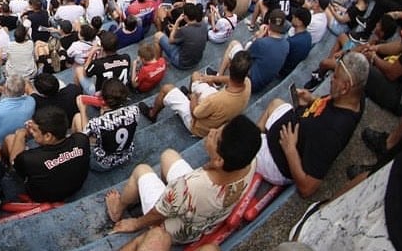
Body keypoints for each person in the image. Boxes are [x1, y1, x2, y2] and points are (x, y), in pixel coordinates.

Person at [105, 115, 261, 246]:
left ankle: (117, 209)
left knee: (142, 170)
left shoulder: (190, 186)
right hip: (206, 217)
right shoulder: (249, 161)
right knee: (168, 155)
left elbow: (158, 214)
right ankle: (166, 194)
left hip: (179, 230)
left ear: (219, 161)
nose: (211, 131)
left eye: (214, 136)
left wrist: (136, 223)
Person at [253, 52, 368, 197]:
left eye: (335, 77)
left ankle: (252, 148)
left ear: (345, 87)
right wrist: (312, 101)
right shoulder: (355, 97)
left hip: (277, 160)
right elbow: (326, 110)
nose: (331, 79)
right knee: (275, 103)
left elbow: (307, 188)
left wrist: (290, 149)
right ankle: (256, 138)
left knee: (236, 135)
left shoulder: (331, 132)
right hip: (292, 127)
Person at [140, 51, 252, 135]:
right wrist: (213, 78)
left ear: (230, 66)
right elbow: (230, 79)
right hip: (219, 110)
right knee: (196, 76)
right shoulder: (247, 82)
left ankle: (152, 114)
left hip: (198, 125)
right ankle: (188, 95)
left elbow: (196, 113)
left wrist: (194, 98)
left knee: (166, 88)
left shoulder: (215, 100)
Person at [4, 105, 90, 202]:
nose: (31, 132)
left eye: (35, 130)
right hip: (76, 186)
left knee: (10, 139)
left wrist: (20, 134)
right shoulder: (81, 140)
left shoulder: (29, 159)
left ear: (48, 136)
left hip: (43, 197)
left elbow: (14, 162)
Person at [72, 79, 140, 171]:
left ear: (103, 100)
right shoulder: (135, 110)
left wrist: (83, 110)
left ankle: (72, 149)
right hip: (126, 155)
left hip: (102, 164)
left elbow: (85, 134)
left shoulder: (97, 123)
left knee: (78, 117)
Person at [218, 9, 288, 93]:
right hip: (263, 83)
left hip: (249, 83)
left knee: (233, 44)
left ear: (269, 22)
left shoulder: (262, 43)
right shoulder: (286, 44)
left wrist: (258, 37)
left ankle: (218, 79)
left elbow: (243, 56)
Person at [152, 2, 208, 71]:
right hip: (197, 61)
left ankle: (157, 64)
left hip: (182, 63)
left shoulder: (185, 30)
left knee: (157, 35)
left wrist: (176, 23)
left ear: (186, 17)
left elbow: (170, 40)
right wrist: (177, 29)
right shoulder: (203, 24)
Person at [0, 75, 36, 144]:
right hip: (24, 139)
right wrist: (3, 89)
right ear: (23, 90)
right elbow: (30, 91)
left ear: (6, 88)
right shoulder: (31, 101)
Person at [74, 31, 131, 95]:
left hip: (103, 95)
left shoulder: (97, 64)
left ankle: (77, 94)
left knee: (79, 69)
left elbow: (85, 73)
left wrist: (91, 53)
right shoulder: (126, 58)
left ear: (102, 48)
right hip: (122, 89)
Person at [280, 7, 313, 77]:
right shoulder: (308, 37)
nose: (292, 17)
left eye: (294, 17)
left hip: (283, 71)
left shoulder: (291, 42)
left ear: (300, 22)